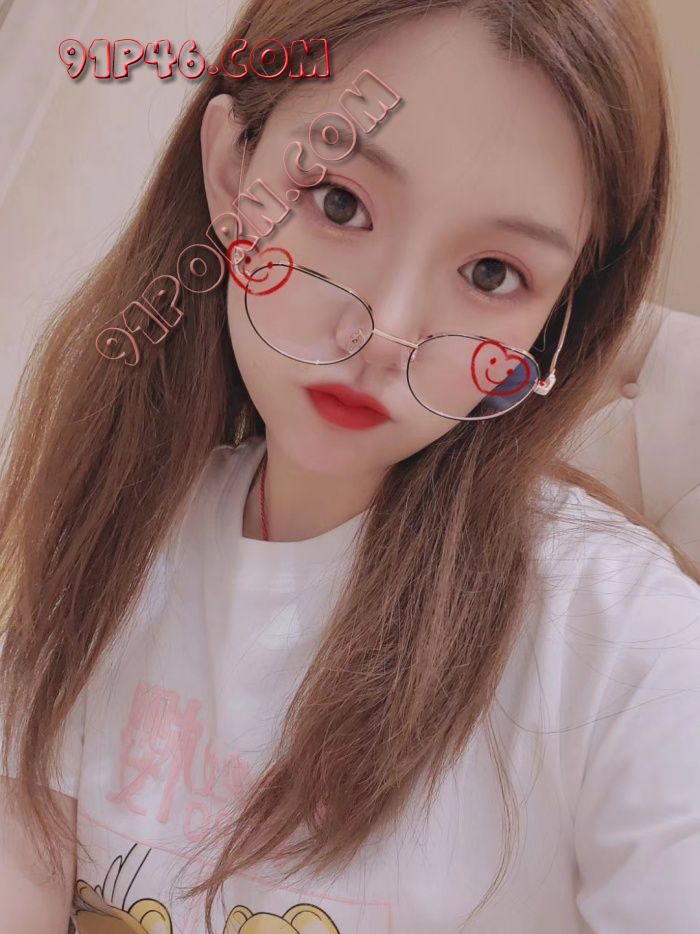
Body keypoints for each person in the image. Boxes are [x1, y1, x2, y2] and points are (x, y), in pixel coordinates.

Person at [1, 1, 699, 932]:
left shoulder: (628, 647)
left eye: (492, 274)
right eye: (340, 203)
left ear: (559, 317)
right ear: (232, 172)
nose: (383, 334)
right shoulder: (116, 524)